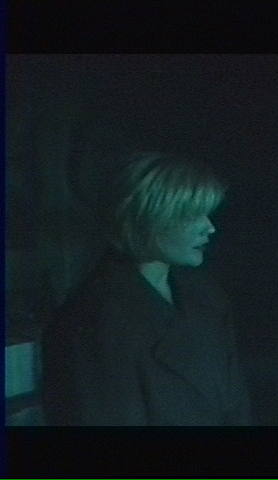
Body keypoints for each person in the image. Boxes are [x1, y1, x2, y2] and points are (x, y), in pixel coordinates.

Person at [42, 152, 252, 425]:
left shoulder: (206, 295)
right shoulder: (93, 321)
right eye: (191, 216)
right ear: (148, 219)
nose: (209, 228)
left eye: (207, 213)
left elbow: (234, 401)